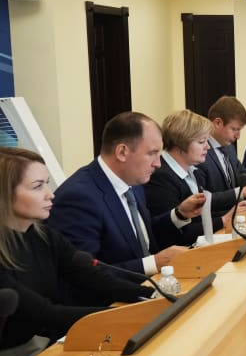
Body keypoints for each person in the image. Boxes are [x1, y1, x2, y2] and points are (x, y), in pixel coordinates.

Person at [0, 148, 152, 356]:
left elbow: (93, 277)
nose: (50, 194)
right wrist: (129, 315)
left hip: (40, 345)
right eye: (37, 186)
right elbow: (45, 313)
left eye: (47, 183)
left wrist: (153, 296)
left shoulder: (44, 236)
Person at [48, 112, 204, 277]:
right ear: (122, 152)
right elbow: (82, 274)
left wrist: (178, 214)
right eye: (152, 153)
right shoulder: (78, 197)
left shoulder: (132, 180)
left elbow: (140, 236)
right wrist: (153, 263)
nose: (158, 163)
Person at [145, 110, 246, 247]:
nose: (208, 147)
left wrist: (232, 213)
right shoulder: (161, 177)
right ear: (180, 143)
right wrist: (223, 220)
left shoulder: (191, 169)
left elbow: (199, 216)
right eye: (201, 142)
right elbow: (172, 234)